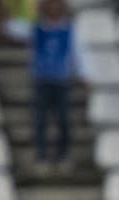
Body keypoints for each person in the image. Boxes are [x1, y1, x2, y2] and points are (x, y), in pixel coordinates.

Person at [30, 0, 86, 174]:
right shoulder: (37, 29)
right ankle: (42, 157)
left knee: (64, 120)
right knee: (41, 120)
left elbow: (78, 52)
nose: (53, 9)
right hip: (42, 79)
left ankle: (63, 156)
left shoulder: (69, 30)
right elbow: (13, 28)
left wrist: (84, 74)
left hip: (61, 80)